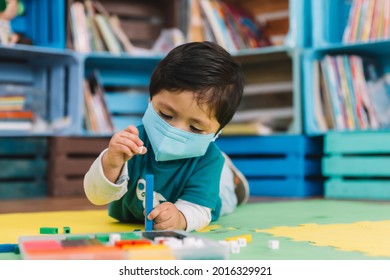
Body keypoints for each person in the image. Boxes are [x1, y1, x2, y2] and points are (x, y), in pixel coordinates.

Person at [84, 41, 249, 232]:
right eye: (166, 115)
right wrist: (111, 164)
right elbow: (97, 196)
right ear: (150, 101)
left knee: (226, 198)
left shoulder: (208, 159)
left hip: (207, 192)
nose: (174, 130)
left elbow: (199, 210)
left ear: (216, 133)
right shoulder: (132, 141)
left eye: (195, 127)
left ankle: (228, 176)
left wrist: (180, 218)